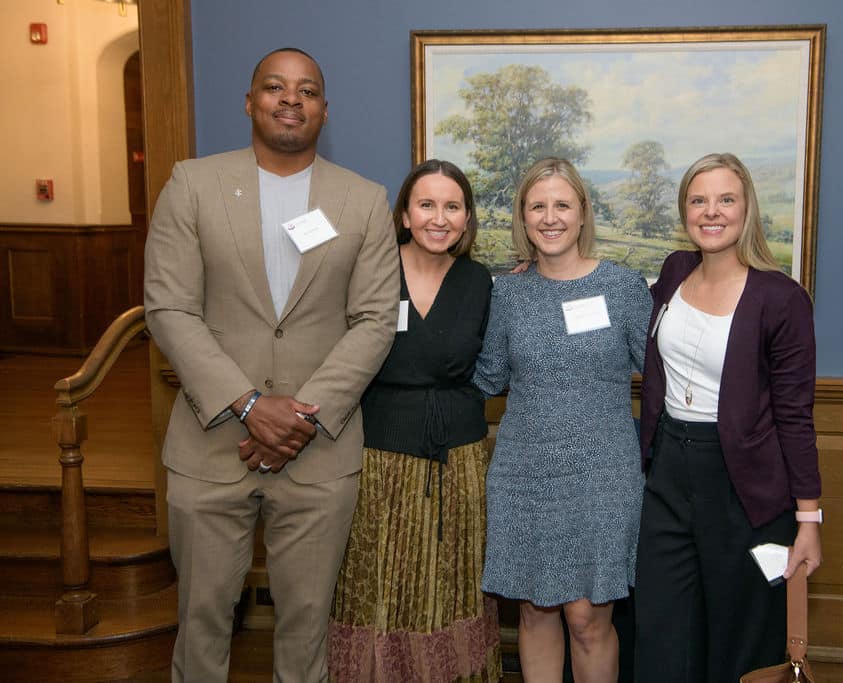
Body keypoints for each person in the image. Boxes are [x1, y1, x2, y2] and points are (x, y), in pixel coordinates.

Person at [143, 47, 399, 682]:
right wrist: (251, 405)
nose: (291, 99)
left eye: (307, 90)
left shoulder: (364, 199)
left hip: (318, 453)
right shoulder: (191, 184)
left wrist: (298, 419)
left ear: (324, 110)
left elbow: (374, 319)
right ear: (250, 102)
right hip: (212, 446)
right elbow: (170, 307)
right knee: (201, 621)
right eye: (275, 87)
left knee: (307, 629)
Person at [633, 152, 822, 682]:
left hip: (744, 488)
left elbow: (795, 416)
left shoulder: (782, 299)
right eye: (698, 200)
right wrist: (541, 271)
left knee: (739, 642)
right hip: (667, 475)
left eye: (725, 199)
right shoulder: (674, 271)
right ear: (685, 211)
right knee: (662, 633)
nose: (711, 211)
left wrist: (809, 521)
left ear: (746, 209)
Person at [474, 157, 652, 682]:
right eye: (537, 206)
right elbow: (487, 377)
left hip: (604, 476)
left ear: (582, 213)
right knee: (535, 609)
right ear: (523, 217)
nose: (550, 218)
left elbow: (662, 374)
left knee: (587, 618)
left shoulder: (623, 288)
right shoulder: (507, 293)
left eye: (562, 205)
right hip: (524, 475)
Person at [327, 159, 501, 682]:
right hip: (378, 462)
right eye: (427, 205)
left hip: (459, 466)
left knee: (449, 590)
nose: (439, 218)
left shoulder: (480, 282)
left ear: (467, 219)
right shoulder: (371, 272)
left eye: (453, 207)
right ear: (404, 214)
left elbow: (496, 362)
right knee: (377, 589)